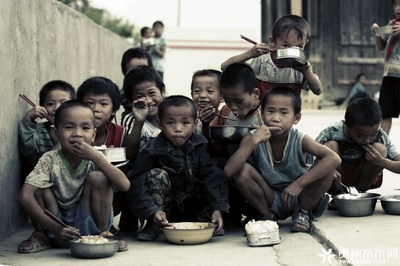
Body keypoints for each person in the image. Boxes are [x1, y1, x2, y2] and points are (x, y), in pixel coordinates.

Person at [17, 100, 130, 253]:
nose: (77, 133)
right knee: (38, 185)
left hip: (89, 225)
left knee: (99, 177)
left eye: (85, 128)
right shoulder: (49, 159)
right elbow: (25, 196)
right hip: (55, 226)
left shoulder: (95, 157)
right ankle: (43, 235)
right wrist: (55, 227)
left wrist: (97, 158)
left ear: (93, 134)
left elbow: (125, 185)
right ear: (55, 133)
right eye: (69, 127)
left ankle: (103, 232)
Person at [224, 86, 341, 232]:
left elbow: (334, 158)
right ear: (261, 114)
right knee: (242, 170)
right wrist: (253, 141)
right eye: (270, 111)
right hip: (270, 196)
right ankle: (267, 216)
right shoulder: (253, 137)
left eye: (284, 113)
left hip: (302, 196)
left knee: (327, 168)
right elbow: (229, 171)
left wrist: (299, 183)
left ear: (296, 118)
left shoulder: (300, 138)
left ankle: (302, 213)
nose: (275, 118)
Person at [126, 95, 229, 241]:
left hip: (194, 204)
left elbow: (211, 176)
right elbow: (136, 183)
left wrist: (217, 209)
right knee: (156, 175)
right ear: (160, 124)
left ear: (195, 124)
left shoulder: (200, 145)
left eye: (185, 122)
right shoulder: (152, 150)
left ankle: (209, 220)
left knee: (216, 174)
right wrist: (152, 211)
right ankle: (154, 224)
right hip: (167, 210)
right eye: (170, 123)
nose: (178, 129)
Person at [312, 98, 400, 210]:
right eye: (361, 136)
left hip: (362, 177)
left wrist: (381, 161)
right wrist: (325, 166)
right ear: (347, 125)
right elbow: (308, 158)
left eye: (373, 135)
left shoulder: (380, 136)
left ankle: (359, 192)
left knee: (380, 149)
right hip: (336, 179)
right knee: (330, 147)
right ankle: (338, 193)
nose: (368, 140)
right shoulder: (332, 132)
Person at [221, 14, 322, 98]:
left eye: (299, 46)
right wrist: (250, 54)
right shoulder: (261, 60)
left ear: (306, 43)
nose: (292, 51)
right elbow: (225, 67)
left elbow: (318, 91)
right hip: (261, 115)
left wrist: (306, 72)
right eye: (285, 46)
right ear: (273, 41)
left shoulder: (302, 65)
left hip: (286, 118)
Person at [18, 80, 75, 179]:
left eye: (63, 103)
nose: (56, 108)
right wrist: (28, 119)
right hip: (44, 178)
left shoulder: (78, 130)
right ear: (42, 107)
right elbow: (27, 151)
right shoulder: (40, 129)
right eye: (50, 104)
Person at [122, 65, 166, 161]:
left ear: (162, 91)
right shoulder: (132, 119)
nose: (148, 101)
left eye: (152, 93)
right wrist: (139, 122)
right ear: (131, 101)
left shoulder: (173, 114)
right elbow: (130, 154)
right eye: (140, 96)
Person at [371, 0, 400, 135]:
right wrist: (378, 33)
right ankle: (383, 145)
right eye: (395, 4)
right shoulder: (392, 24)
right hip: (389, 75)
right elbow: (381, 47)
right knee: (385, 113)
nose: (398, 8)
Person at [77, 76, 126, 148]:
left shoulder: (119, 134)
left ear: (114, 110)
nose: (96, 109)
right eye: (90, 103)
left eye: (103, 104)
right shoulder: (73, 131)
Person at [119, 47, 153, 121]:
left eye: (143, 70)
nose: (138, 75)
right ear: (124, 73)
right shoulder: (122, 94)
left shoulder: (156, 91)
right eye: (132, 72)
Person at [190, 69, 223, 137]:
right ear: (191, 95)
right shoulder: (189, 119)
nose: (202, 95)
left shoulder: (224, 118)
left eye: (210, 91)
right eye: (197, 91)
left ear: (222, 97)